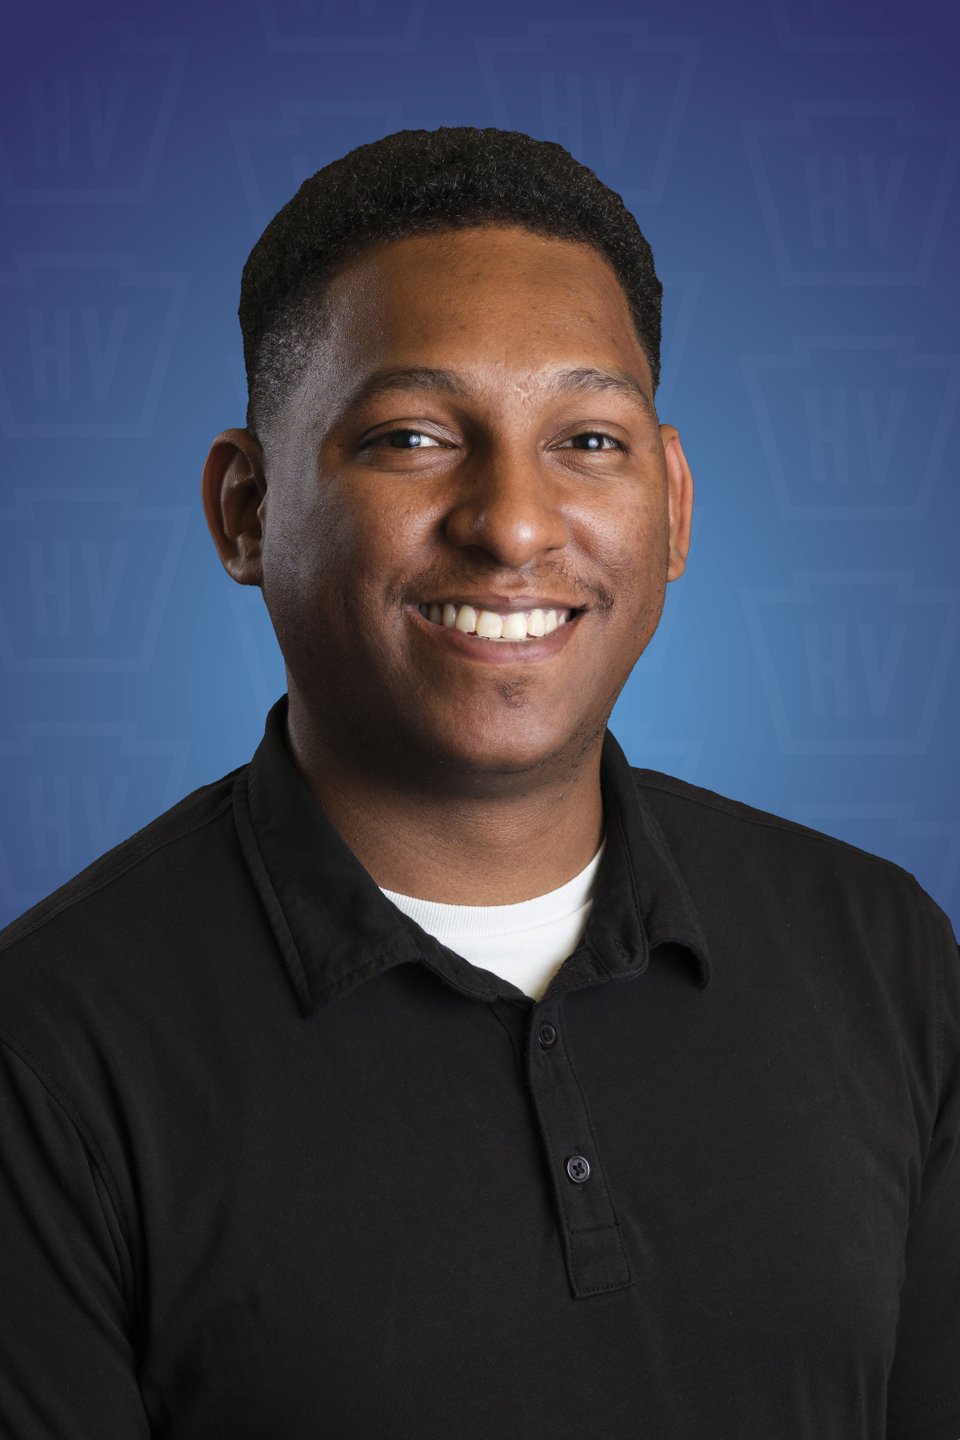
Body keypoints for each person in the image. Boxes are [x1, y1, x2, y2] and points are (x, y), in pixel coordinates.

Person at [0, 126, 957, 1440]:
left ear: (673, 507)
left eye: (588, 440)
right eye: (409, 435)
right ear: (244, 509)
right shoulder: (48, 1053)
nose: (513, 524)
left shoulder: (884, 949)